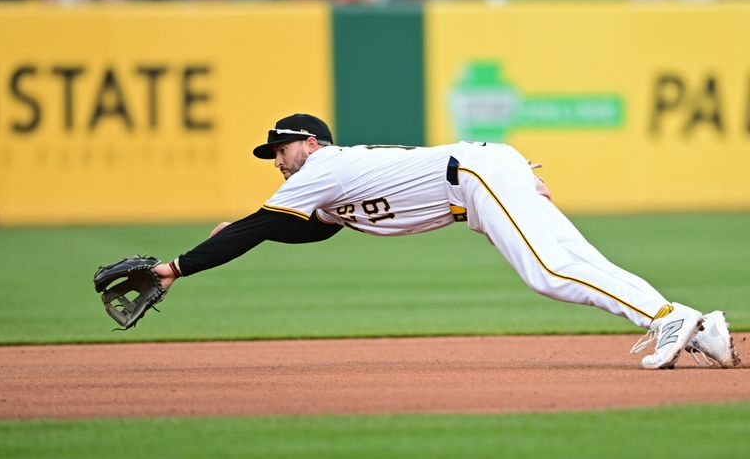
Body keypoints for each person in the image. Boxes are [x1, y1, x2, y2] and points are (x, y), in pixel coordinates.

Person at [153, 113, 740, 370]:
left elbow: (259, 227)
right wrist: (240, 231)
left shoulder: (322, 167)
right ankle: (697, 324)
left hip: (477, 176)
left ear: (308, 142)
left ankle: (662, 318)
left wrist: (177, 267)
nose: (276, 161)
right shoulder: (328, 192)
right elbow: (291, 230)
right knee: (577, 263)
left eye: (279, 149)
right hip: (483, 178)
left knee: (551, 273)